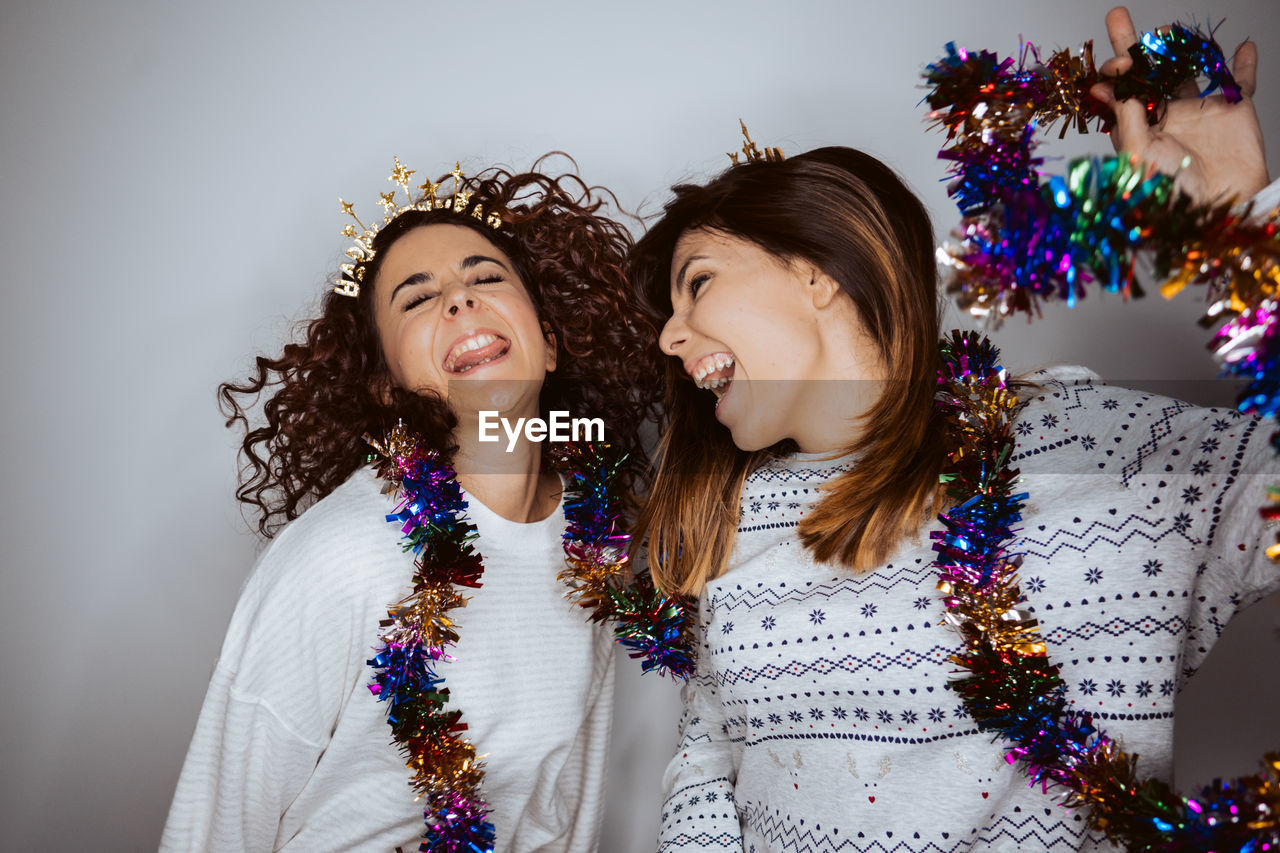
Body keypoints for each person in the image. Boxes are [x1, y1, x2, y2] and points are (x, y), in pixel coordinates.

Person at [629, 8, 1279, 852]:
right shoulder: (736, 509)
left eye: (698, 283)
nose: (669, 337)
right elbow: (709, 753)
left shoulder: (1095, 449)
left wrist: (1247, 231)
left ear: (818, 271)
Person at [160, 159, 662, 852]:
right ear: (387, 387)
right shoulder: (338, 555)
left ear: (549, 344)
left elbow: (566, 805)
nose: (460, 300)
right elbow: (213, 824)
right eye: (417, 298)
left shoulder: (592, 541)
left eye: (485, 277)